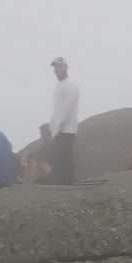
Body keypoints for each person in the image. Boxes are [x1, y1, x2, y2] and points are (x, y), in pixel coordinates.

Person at [48, 57, 80, 185]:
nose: (56, 70)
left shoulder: (71, 86)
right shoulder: (59, 86)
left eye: (59, 67)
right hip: (58, 129)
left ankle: (68, 182)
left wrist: (57, 128)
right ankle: (63, 182)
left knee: (64, 157)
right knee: (61, 157)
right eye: (55, 67)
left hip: (67, 129)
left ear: (65, 67)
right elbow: (57, 110)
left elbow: (66, 109)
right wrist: (52, 126)